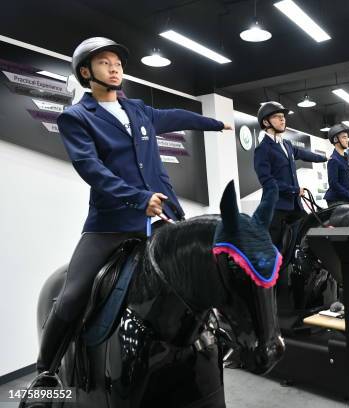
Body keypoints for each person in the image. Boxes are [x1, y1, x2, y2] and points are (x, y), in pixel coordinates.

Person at [35, 37, 232, 380]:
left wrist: (216, 124)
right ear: (86, 72)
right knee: (71, 295)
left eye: (118, 64)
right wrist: (139, 198)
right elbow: (92, 170)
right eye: (104, 63)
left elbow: (176, 116)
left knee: (199, 267)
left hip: (162, 215)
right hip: (110, 223)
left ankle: (220, 330)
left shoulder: (138, 109)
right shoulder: (76, 117)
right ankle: (45, 373)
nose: (115, 68)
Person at [254, 101, 327, 250]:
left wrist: (325, 158)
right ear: (266, 122)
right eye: (277, 116)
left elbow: (303, 154)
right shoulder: (262, 149)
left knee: (309, 237)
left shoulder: (286, 144)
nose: (282, 119)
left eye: (283, 116)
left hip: (295, 206)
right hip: (276, 208)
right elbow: (268, 182)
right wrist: (294, 189)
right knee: (275, 252)